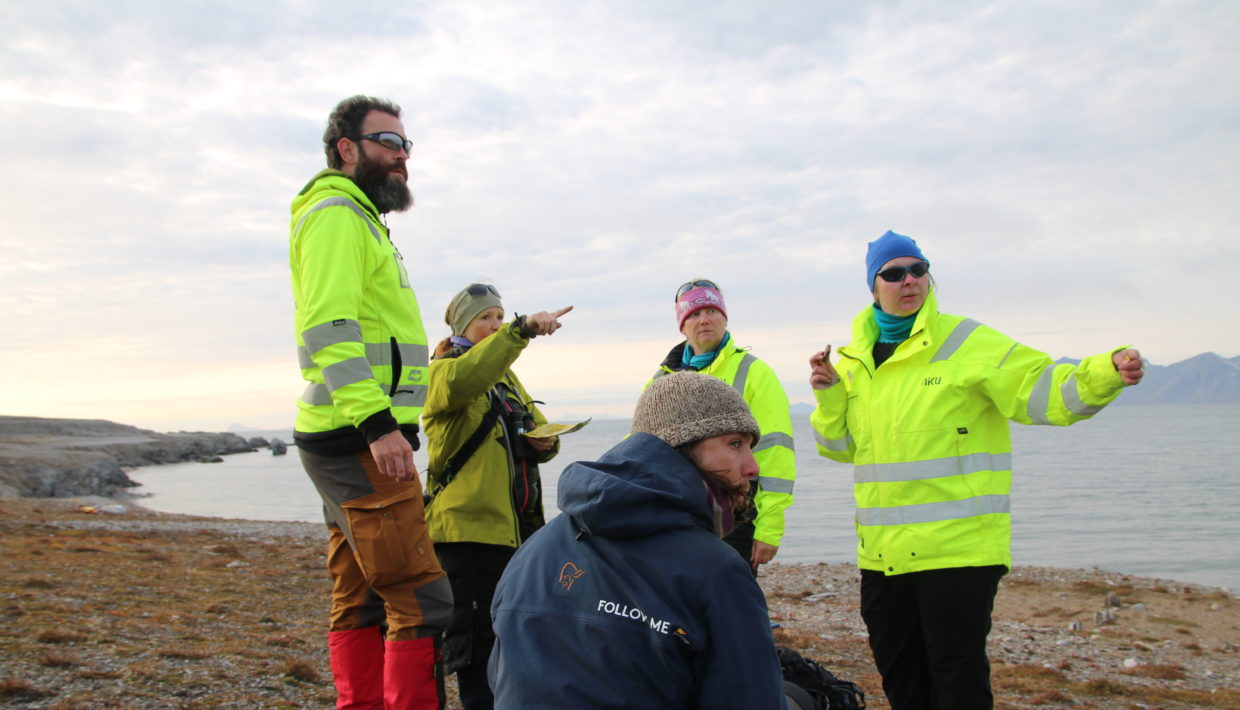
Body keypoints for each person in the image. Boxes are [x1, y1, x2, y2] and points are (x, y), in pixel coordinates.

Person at [807, 230, 1146, 710]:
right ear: (873, 286)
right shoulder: (855, 362)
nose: (910, 280)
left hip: (959, 551)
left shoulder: (967, 341)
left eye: (918, 270)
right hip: (884, 556)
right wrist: (829, 394)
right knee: (900, 674)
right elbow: (839, 447)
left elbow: (1041, 388)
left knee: (956, 678)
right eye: (894, 273)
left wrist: (1105, 372)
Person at [489, 371, 789, 709]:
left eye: (751, 447)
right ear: (680, 447)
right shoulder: (717, 571)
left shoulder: (535, 550)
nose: (752, 466)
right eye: (735, 444)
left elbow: (502, 679)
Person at [289, 95, 452, 709]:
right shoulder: (336, 213)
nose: (402, 155)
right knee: (421, 600)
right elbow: (328, 328)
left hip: (346, 432)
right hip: (358, 437)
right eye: (388, 141)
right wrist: (381, 426)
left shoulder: (361, 219)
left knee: (357, 593)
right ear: (347, 149)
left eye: (407, 144)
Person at [421, 284, 571, 709]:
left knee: (513, 642)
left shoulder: (504, 377)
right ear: (461, 325)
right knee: (477, 649)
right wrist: (520, 331)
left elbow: (539, 427)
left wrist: (547, 444)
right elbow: (469, 374)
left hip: (514, 534)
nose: (495, 326)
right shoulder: (443, 372)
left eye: (500, 319)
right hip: (467, 536)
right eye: (486, 318)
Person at [650, 279, 796, 572]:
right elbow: (642, 448)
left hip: (737, 513)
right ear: (682, 324)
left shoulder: (754, 372)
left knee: (729, 604)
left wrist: (769, 527)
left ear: (724, 317)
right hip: (677, 513)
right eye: (693, 313)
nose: (703, 319)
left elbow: (775, 450)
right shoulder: (661, 380)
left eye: (711, 311)